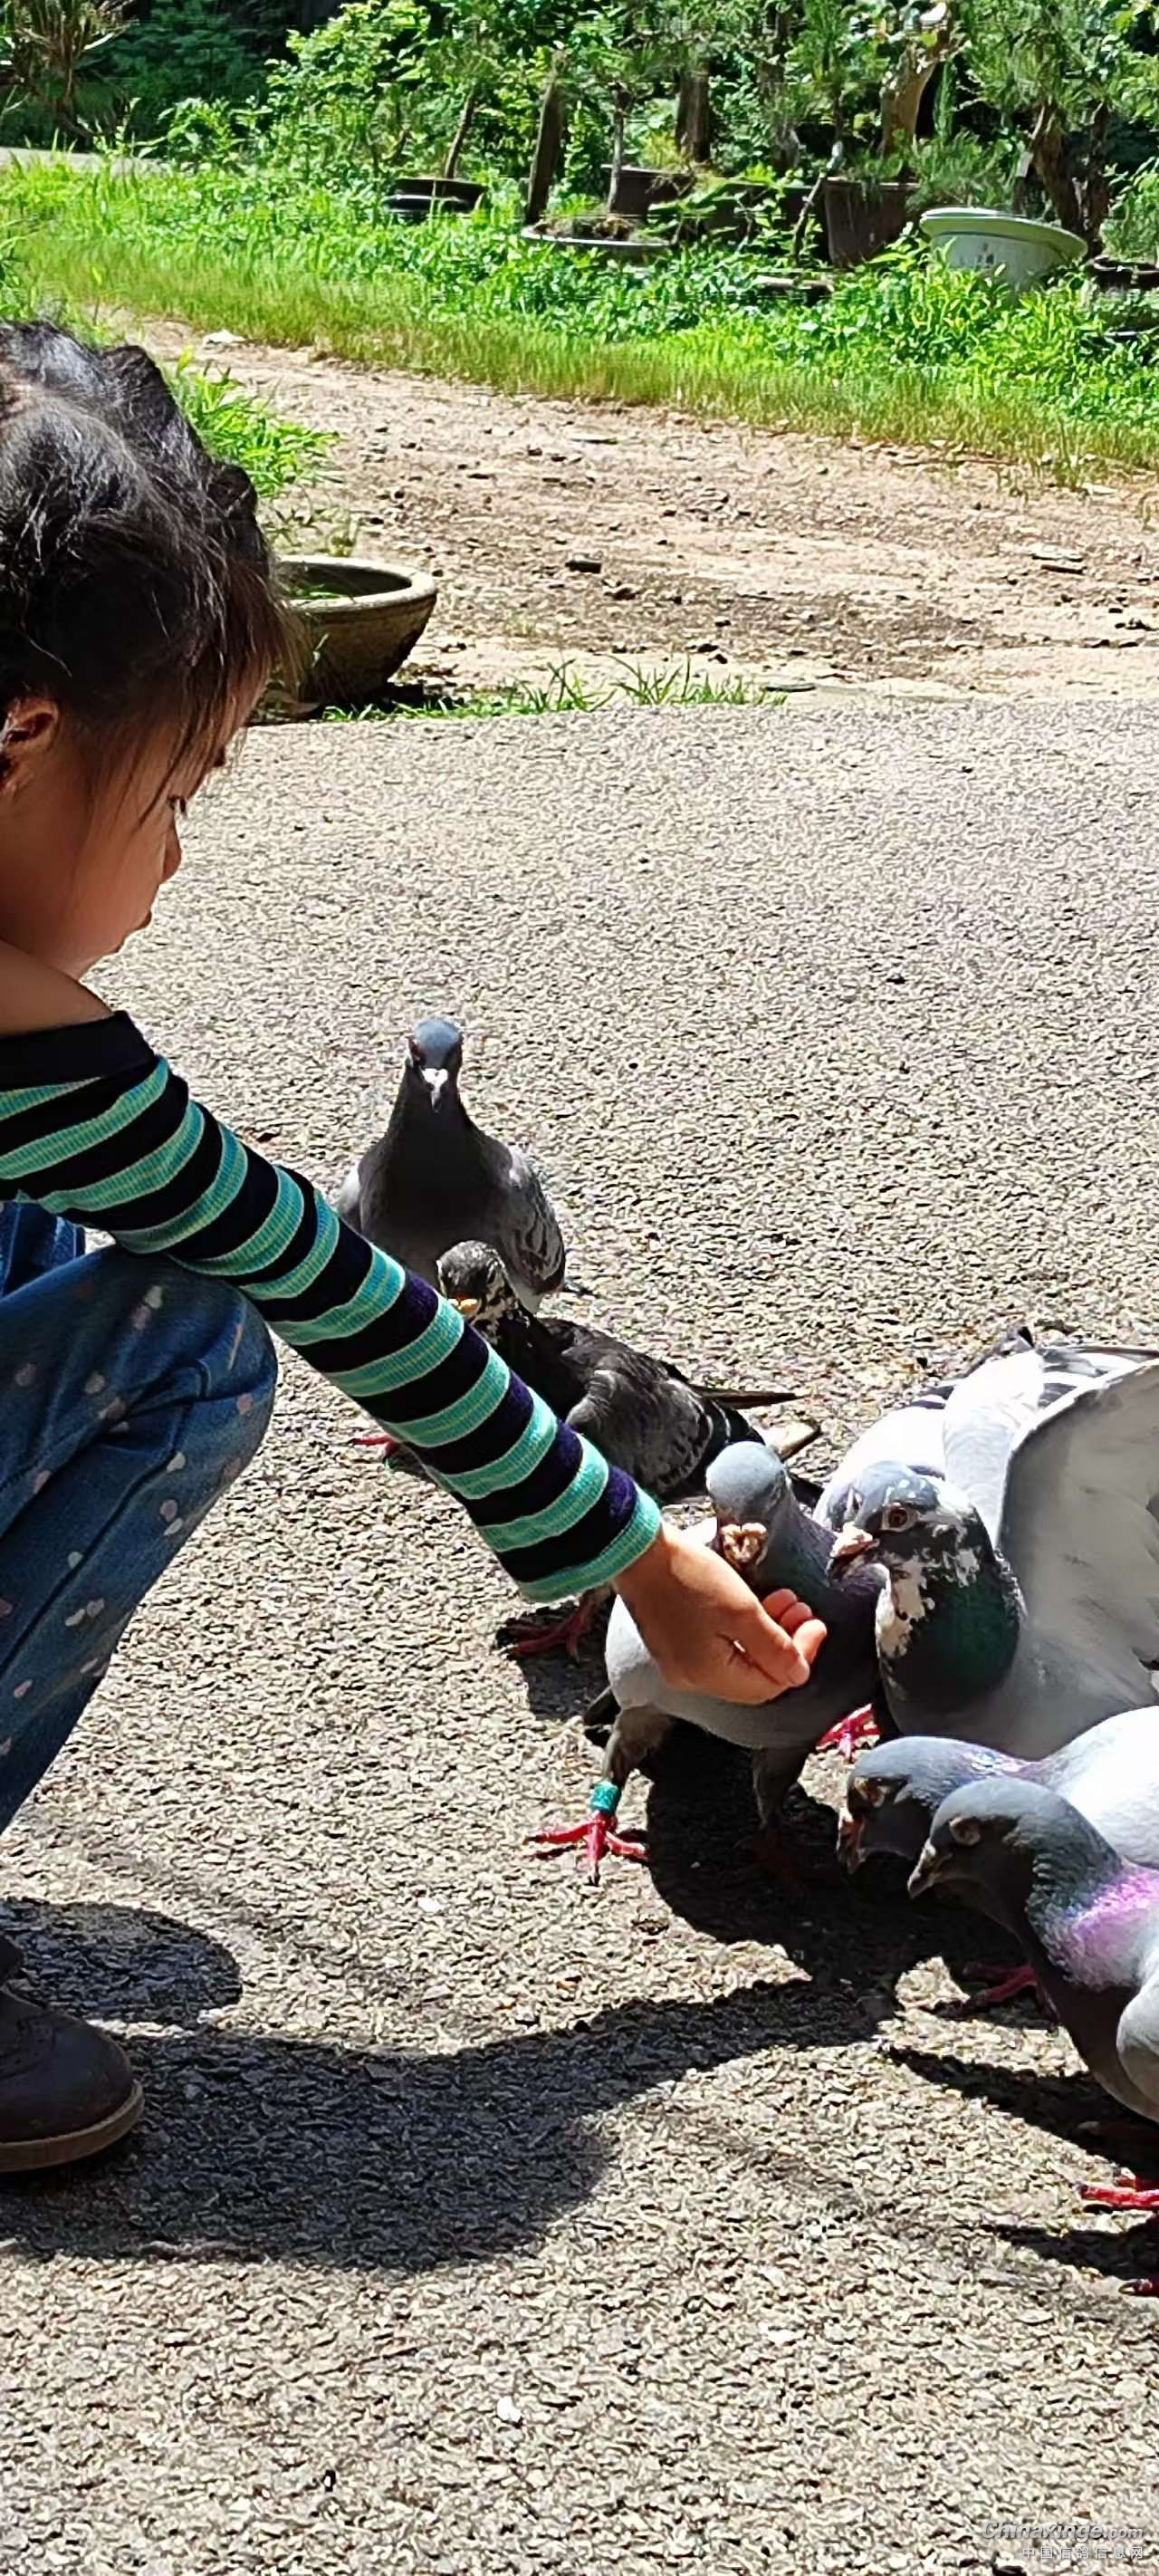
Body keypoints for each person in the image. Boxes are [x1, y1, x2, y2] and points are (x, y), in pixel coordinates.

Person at [0, 322, 826, 2172]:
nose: (175, 862)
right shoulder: (41, 1057)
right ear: (21, 740)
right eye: (177, 791)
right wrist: (638, 1558)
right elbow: (321, 1276)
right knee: (185, 1329)